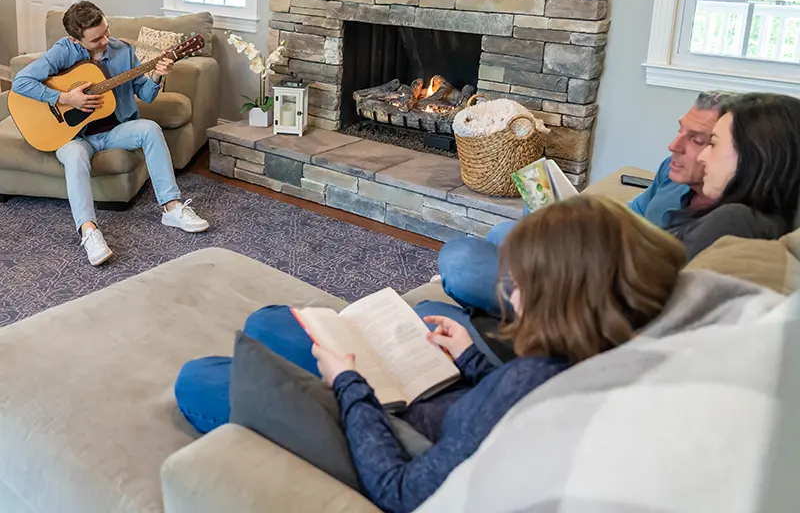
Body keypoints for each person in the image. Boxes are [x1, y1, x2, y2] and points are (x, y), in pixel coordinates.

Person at [174, 195, 686, 513]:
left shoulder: (530, 386)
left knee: (200, 378)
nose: (510, 292)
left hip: (392, 431)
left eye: (518, 281)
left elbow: (399, 490)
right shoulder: (590, 364)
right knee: (275, 321)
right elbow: (506, 405)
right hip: (446, 401)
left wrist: (350, 383)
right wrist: (471, 359)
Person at [438, 91, 730, 315]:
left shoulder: (724, 222)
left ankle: (525, 312)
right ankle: (513, 296)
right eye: (680, 130)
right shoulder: (671, 171)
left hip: (599, 292)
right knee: (504, 232)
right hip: (594, 258)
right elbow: (632, 213)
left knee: (458, 258)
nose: (674, 145)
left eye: (698, 140)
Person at [12, 1, 209, 266]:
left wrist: (158, 76)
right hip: (72, 136)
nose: (106, 40)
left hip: (114, 130)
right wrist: (65, 97)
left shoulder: (123, 51)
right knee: (73, 156)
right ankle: (89, 231)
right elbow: (21, 82)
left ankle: (171, 207)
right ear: (75, 39)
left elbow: (147, 96)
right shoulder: (62, 52)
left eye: (107, 31)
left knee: (150, 129)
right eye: (97, 39)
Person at [669, 92, 800, 260]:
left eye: (712, 143)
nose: (702, 157)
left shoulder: (735, 220)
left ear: (753, 156)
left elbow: (657, 281)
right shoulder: (767, 220)